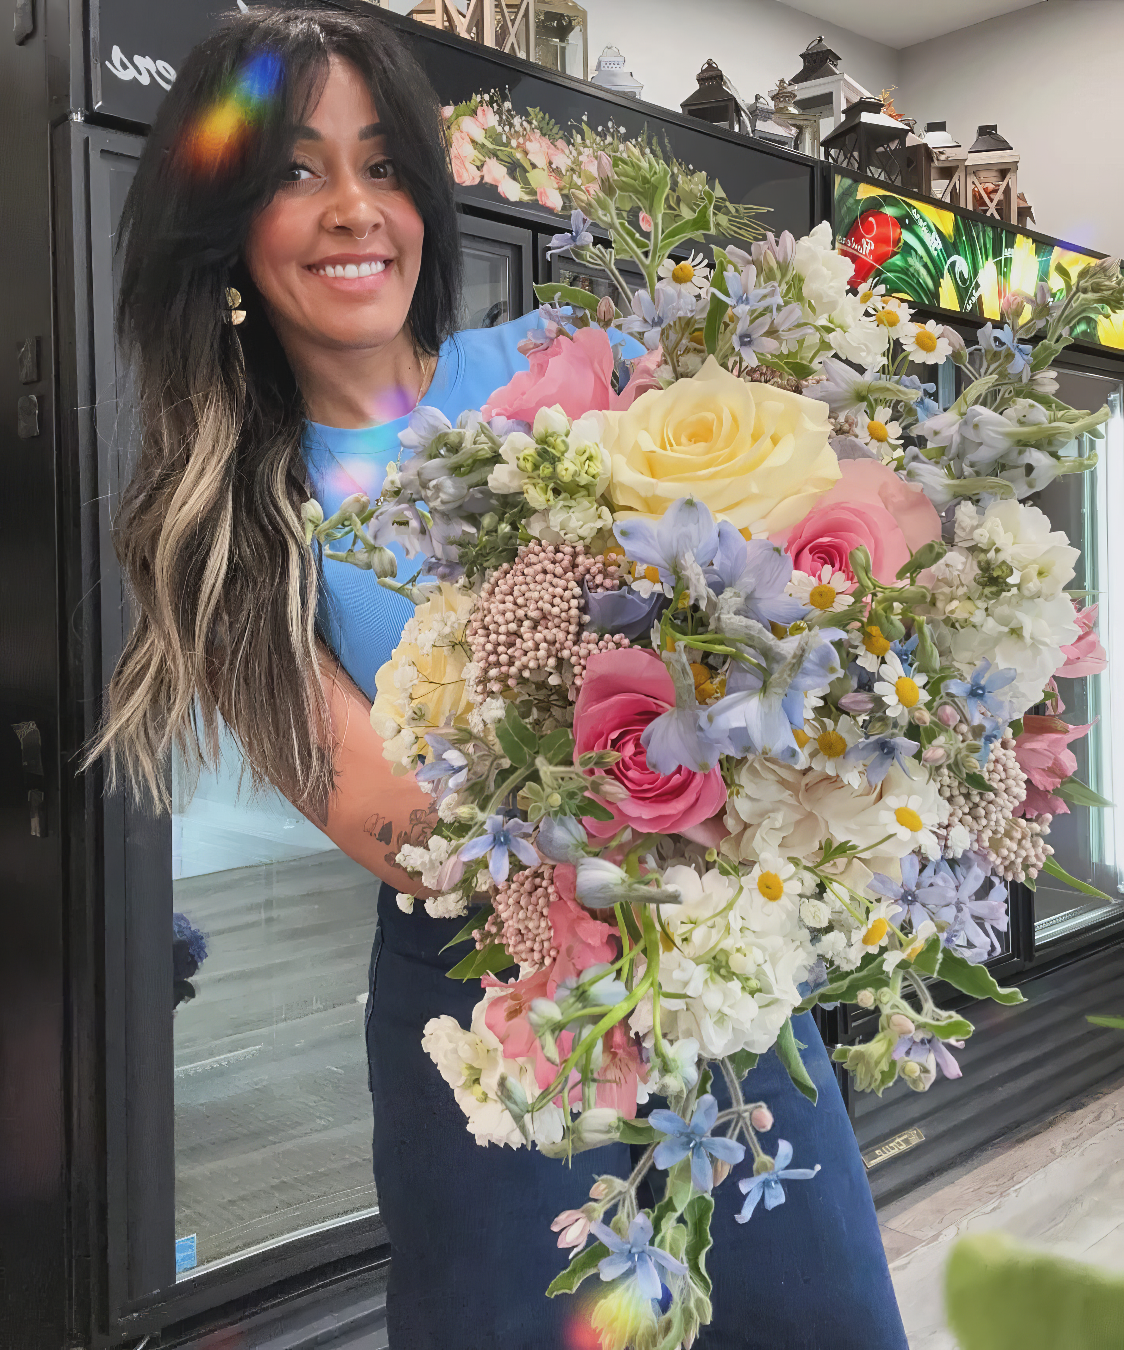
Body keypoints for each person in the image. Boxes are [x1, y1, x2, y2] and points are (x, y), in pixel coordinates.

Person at [97, 7, 908, 1347]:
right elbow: (417, 841)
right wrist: (673, 737)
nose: (355, 210)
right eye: (296, 171)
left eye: (383, 163)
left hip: (713, 991)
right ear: (223, 225)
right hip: (504, 1036)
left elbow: (781, 582)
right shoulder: (234, 530)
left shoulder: (568, 371)